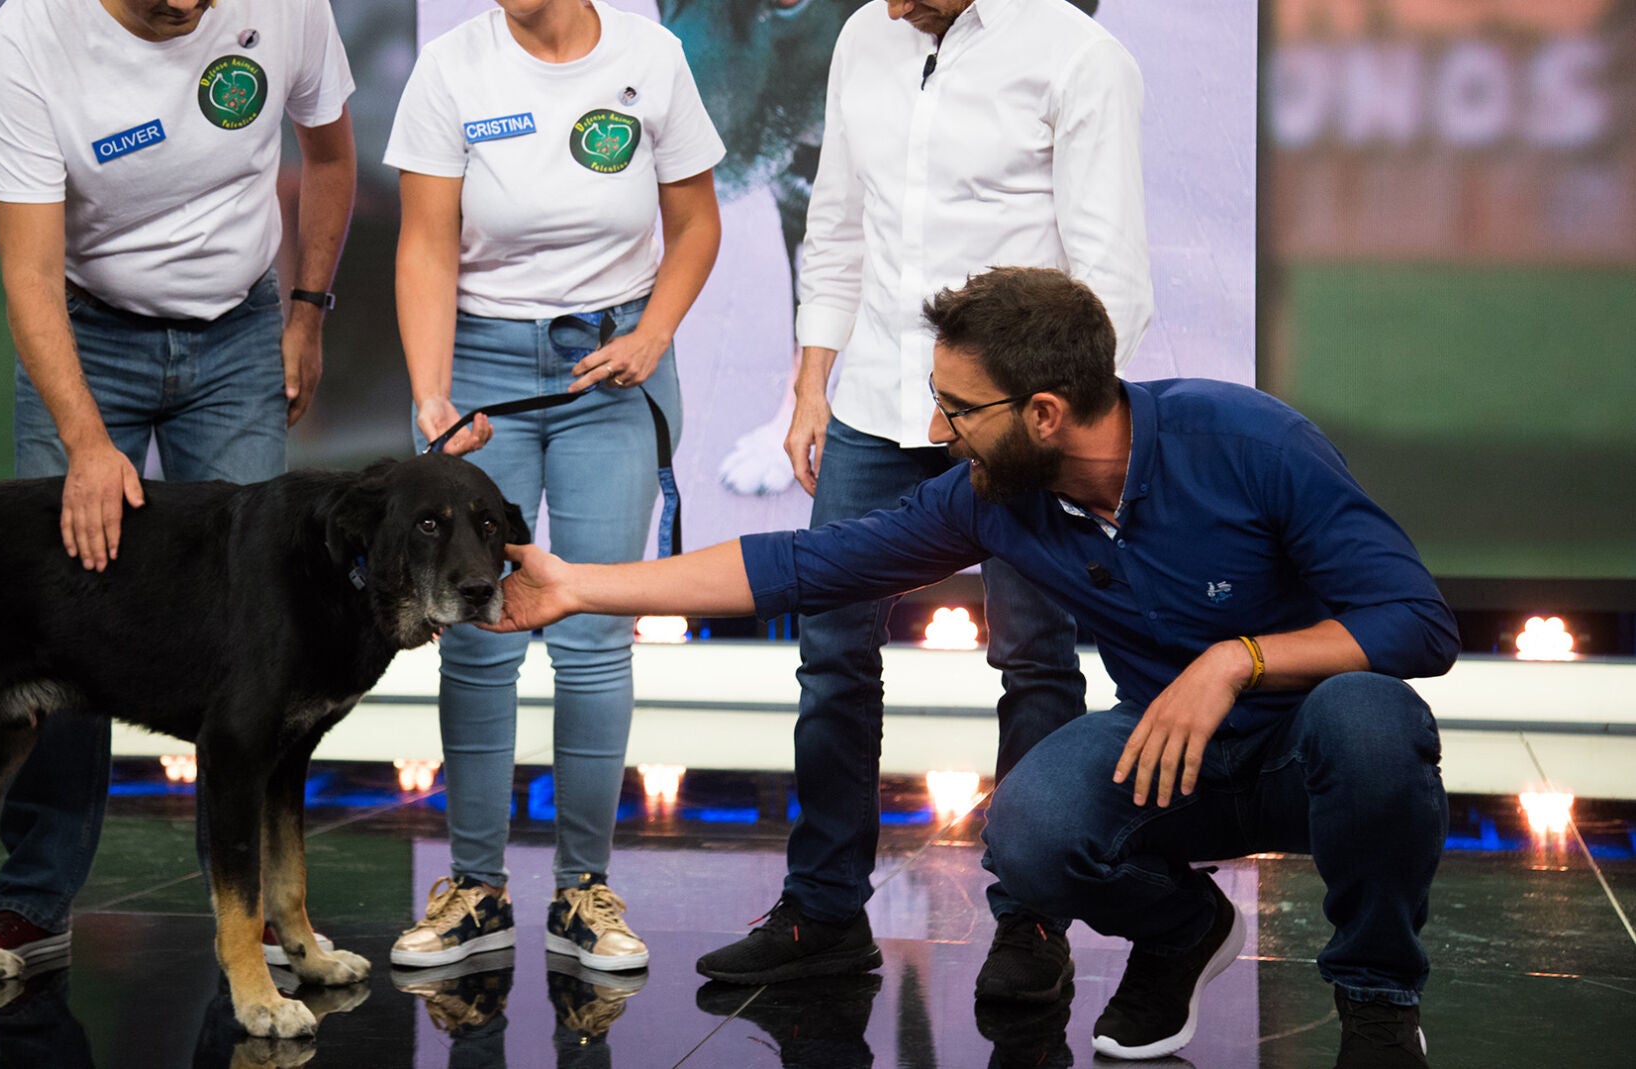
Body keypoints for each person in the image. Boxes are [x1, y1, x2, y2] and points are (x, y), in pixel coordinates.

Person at [490, 267, 1456, 1067]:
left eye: (957, 408)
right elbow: (799, 564)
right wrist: (578, 586)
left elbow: (1419, 624)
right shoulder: (992, 496)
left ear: (1043, 411)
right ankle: (1177, 931)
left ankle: (1375, 1004)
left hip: (1307, 749)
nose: (938, 431)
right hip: (1175, 757)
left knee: (1375, 721)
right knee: (1029, 831)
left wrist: (1236, 661)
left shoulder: (1248, 442)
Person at [728, 0, 1153, 993]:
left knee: (1034, 659)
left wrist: (1051, 430)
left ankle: (1031, 919)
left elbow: (1111, 280)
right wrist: (808, 383)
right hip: (876, 402)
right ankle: (824, 909)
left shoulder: (1077, 55)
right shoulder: (863, 38)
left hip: (1013, 425)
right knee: (831, 655)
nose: (884, 4)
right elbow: (835, 221)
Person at [0, 0, 356, 966]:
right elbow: (27, 271)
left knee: (260, 634)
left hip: (238, 332)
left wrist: (306, 312)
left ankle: (254, 911)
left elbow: (333, 157)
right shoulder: (29, 35)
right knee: (60, 615)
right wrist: (85, 440)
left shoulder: (288, 8)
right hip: (87, 325)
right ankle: (36, 897)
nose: (190, 8)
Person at [381, 0, 723, 973]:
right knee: (477, 627)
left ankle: (585, 891)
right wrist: (431, 394)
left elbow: (696, 225)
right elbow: (424, 242)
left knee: (591, 627)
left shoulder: (649, 57)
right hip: (484, 361)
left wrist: (654, 334)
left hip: (610, 365)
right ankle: (474, 889)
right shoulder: (452, 68)